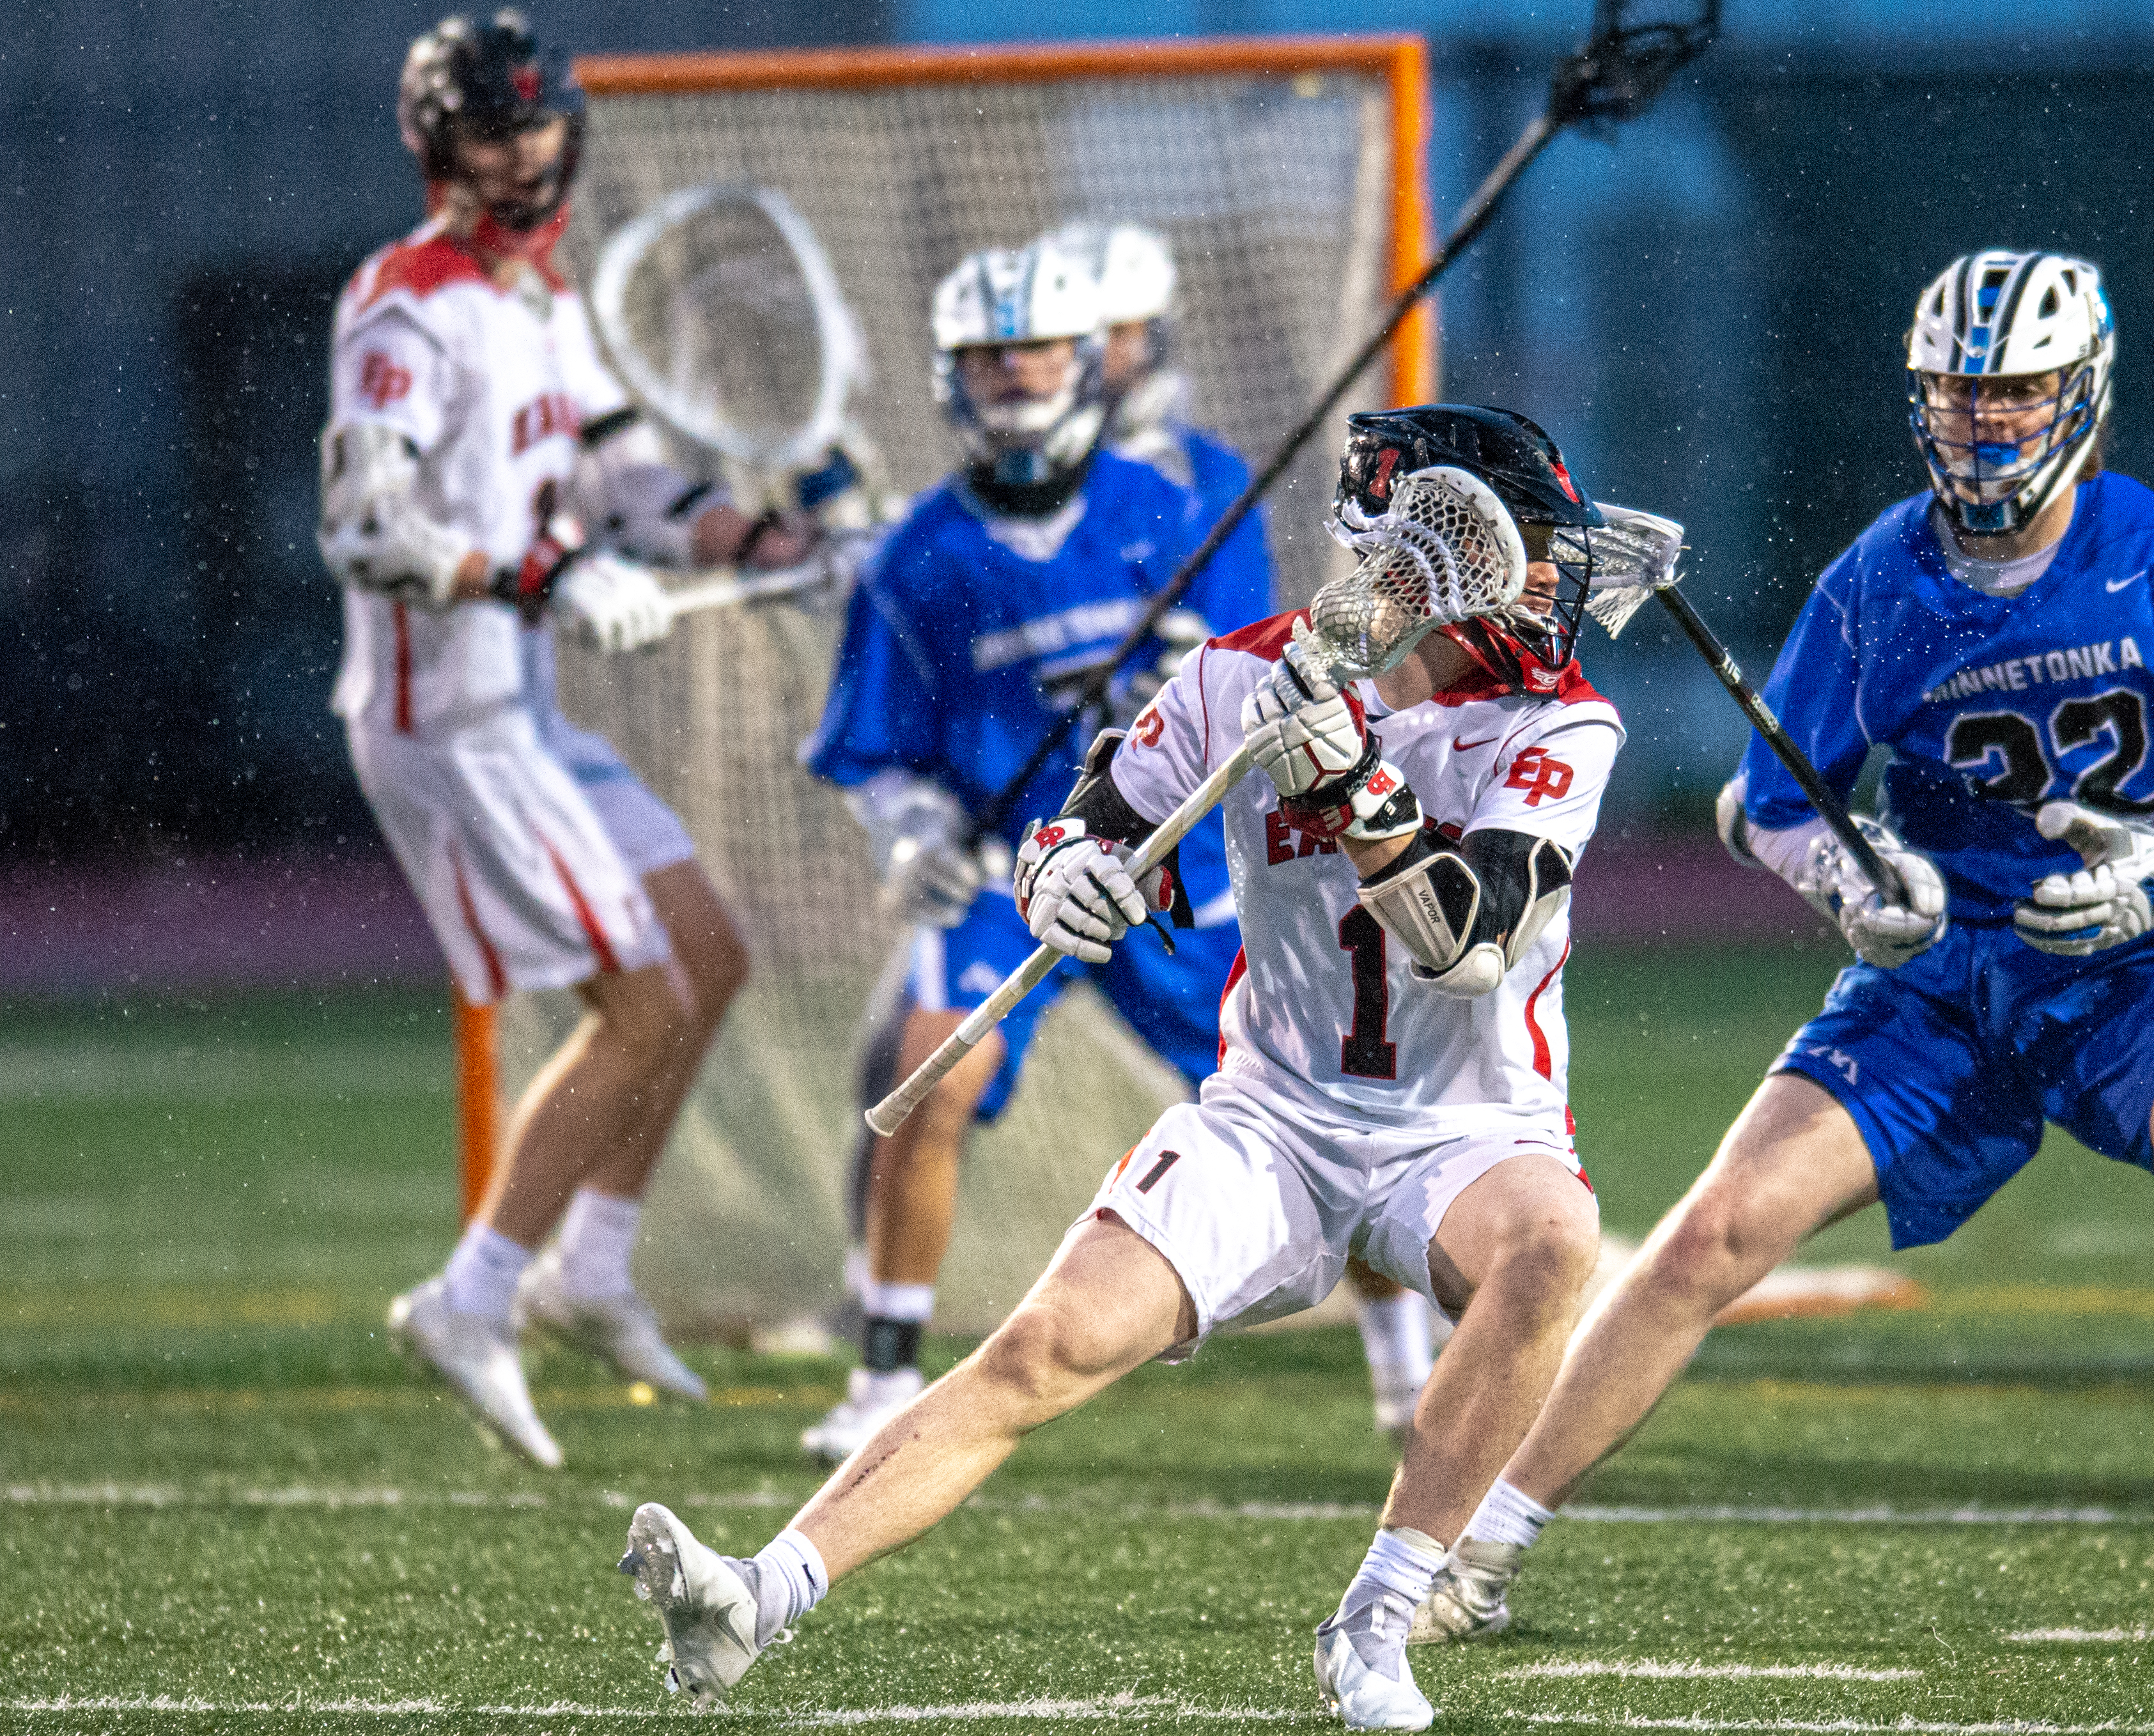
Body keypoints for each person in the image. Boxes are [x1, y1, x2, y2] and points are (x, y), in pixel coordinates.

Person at [1404, 249, 2154, 1647]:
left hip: (2133, 969)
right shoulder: (1877, 580)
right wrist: (1856, 885)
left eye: (2016, 388)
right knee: (1710, 1234)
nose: (1983, 418)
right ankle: (1477, 1553)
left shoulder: (2148, 551)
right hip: (1940, 980)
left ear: (2079, 392)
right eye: (1958, 390)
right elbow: (1764, 806)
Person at [619, 405, 1629, 1732]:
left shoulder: (1562, 724)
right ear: (1418, 549)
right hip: (1272, 1115)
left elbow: (1467, 945)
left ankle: (1378, 1620)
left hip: (1467, 1126)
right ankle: (759, 1592)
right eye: (1522, 546)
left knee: (1554, 1240)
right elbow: (1084, 821)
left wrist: (1358, 797)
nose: (1549, 579)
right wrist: (1066, 880)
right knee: (1043, 1345)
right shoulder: (1232, 679)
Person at [321, 10, 826, 1469]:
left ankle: (589, 1266)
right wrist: (535, 575)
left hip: (521, 706)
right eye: (495, 128)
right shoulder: (405, 305)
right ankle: (472, 1297)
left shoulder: (546, 302)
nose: (525, 151)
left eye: (539, 123)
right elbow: (364, 525)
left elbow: (627, 479)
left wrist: (765, 531)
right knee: (642, 1006)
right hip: (446, 720)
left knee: (708, 955)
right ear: (438, 146)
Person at [795, 230, 1271, 1463]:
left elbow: (1269, 679)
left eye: (1039, 351)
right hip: (1015, 866)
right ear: (954, 376)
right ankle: (878, 1370)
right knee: (922, 1078)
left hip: (1169, 851)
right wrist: (911, 834)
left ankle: (1398, 1366)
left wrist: (1201, 683)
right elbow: (872, 749)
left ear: (1085, 360)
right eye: (990, 357)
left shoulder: (1172, 506)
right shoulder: (916, 558)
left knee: (1302, 1083)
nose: (1015, 377)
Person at [1057, 215, 1445, 1439]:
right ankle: (885, 1353)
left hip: (1227, 791)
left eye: (1116, 334)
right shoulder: (1021, 495)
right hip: (1109, 789)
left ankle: (1399, 1348)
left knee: (1328, 1060)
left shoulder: (1195, 480)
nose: (1100, 357)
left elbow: (1230, 660)